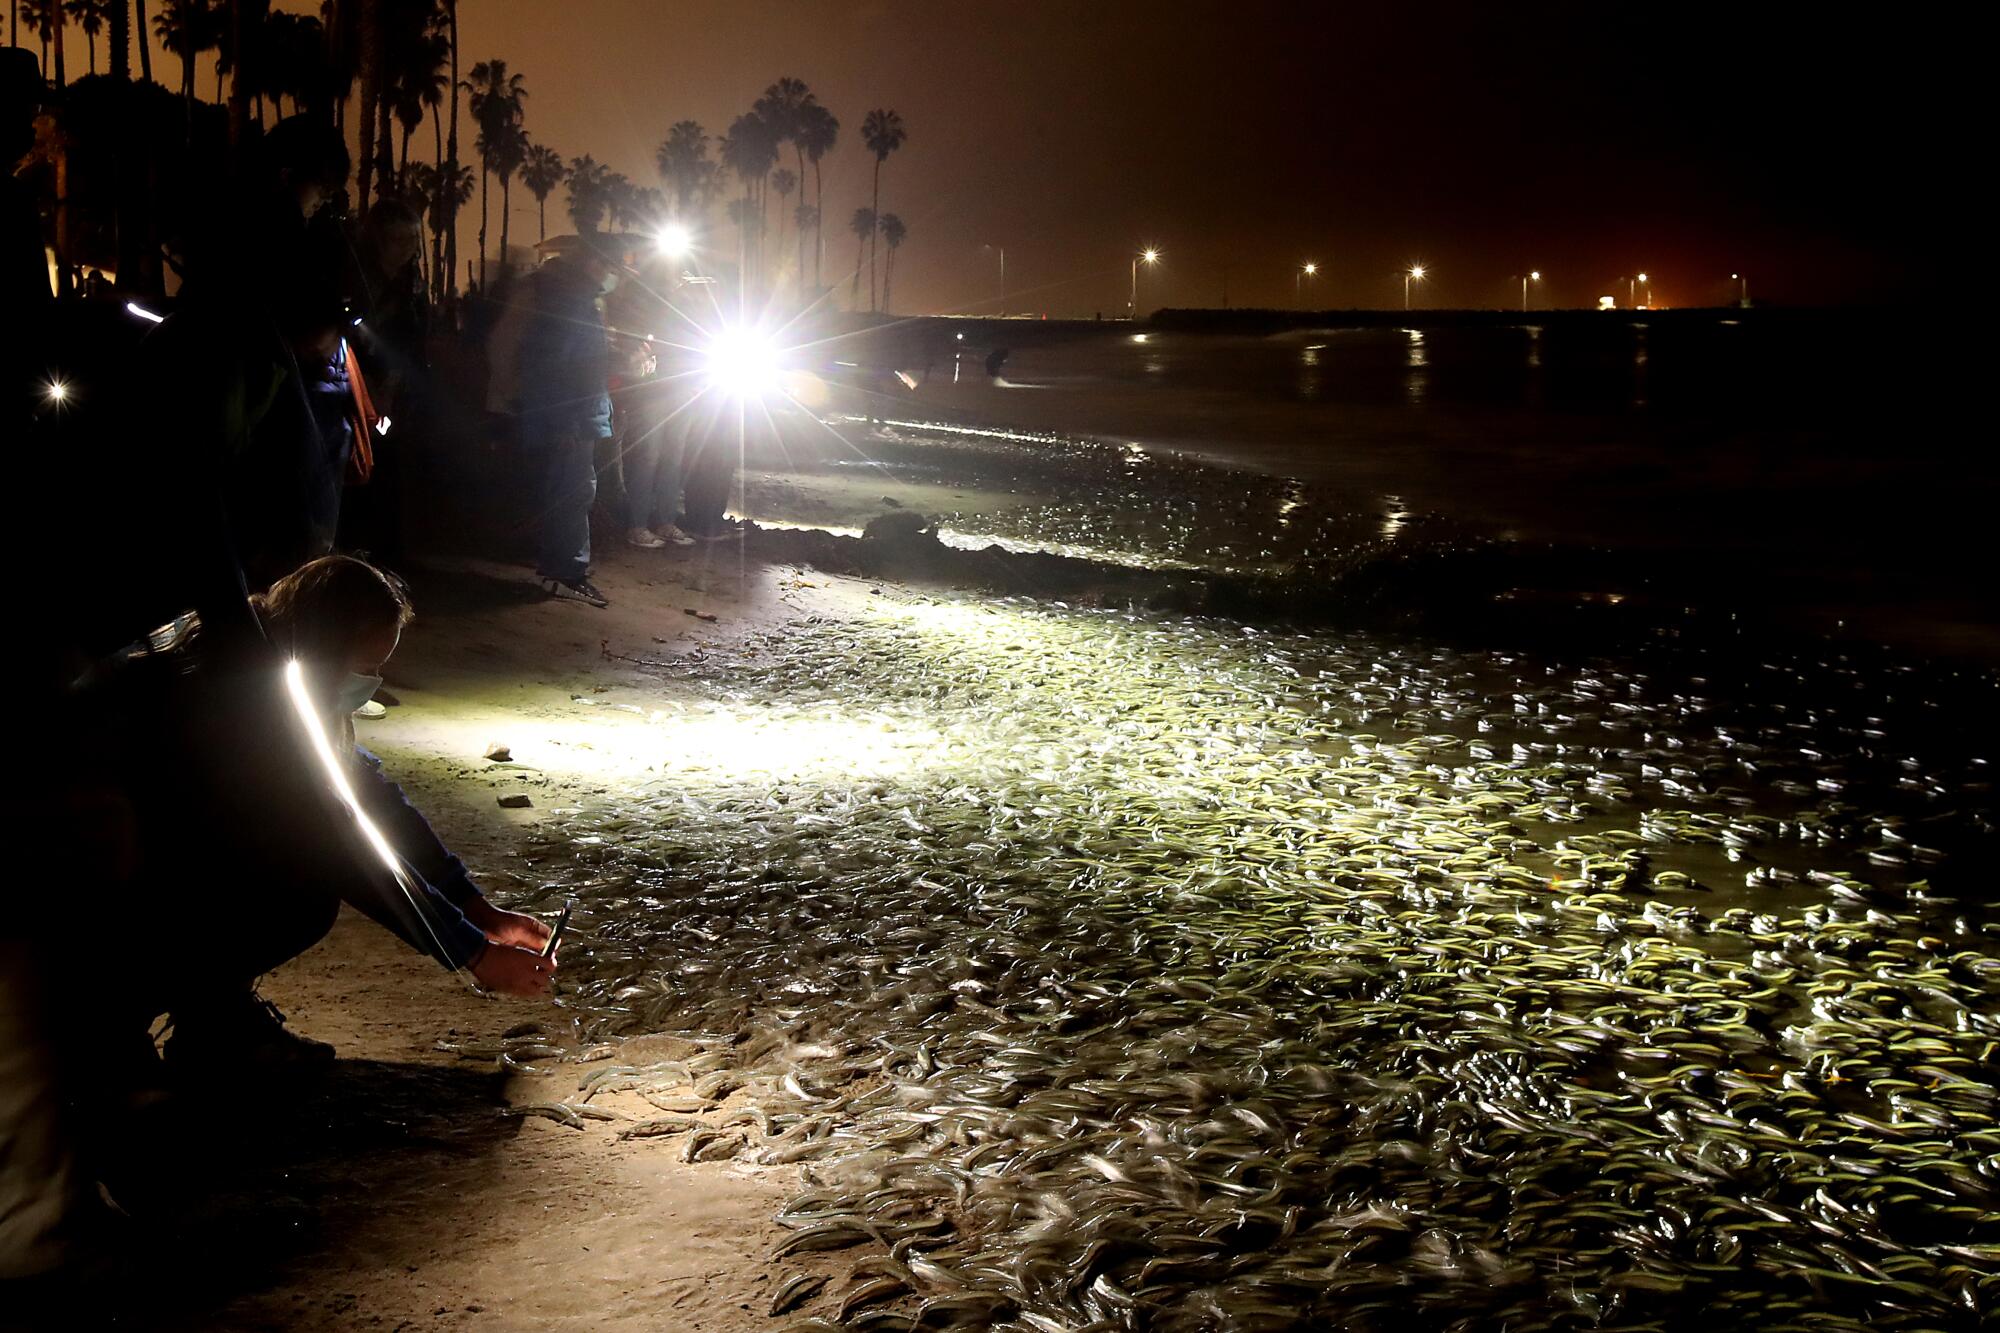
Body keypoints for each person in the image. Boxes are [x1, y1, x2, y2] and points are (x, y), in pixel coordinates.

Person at [89, 555, 558, 1071]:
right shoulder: (237, 692)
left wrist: (474, 908)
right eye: (364, 668)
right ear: (323, 649)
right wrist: (473, 953)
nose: (372, 681)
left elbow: (367, 792)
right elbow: (340, 840)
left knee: (287, 873)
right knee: (295, 893)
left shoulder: (272, 656)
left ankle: (212, 1016)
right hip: (88, 878)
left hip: (140, 854)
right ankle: (109, 1023)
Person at [516, 237, 620, 606]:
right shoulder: (570, 303)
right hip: (572, 416)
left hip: (575, 413)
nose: (612, 273)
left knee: (574, 490)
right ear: (591, 264)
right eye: (608, 265)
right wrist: (568, 422)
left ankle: (564, 568)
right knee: (571, 492)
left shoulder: (572, 300)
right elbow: (563, 368)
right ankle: (563, 572)